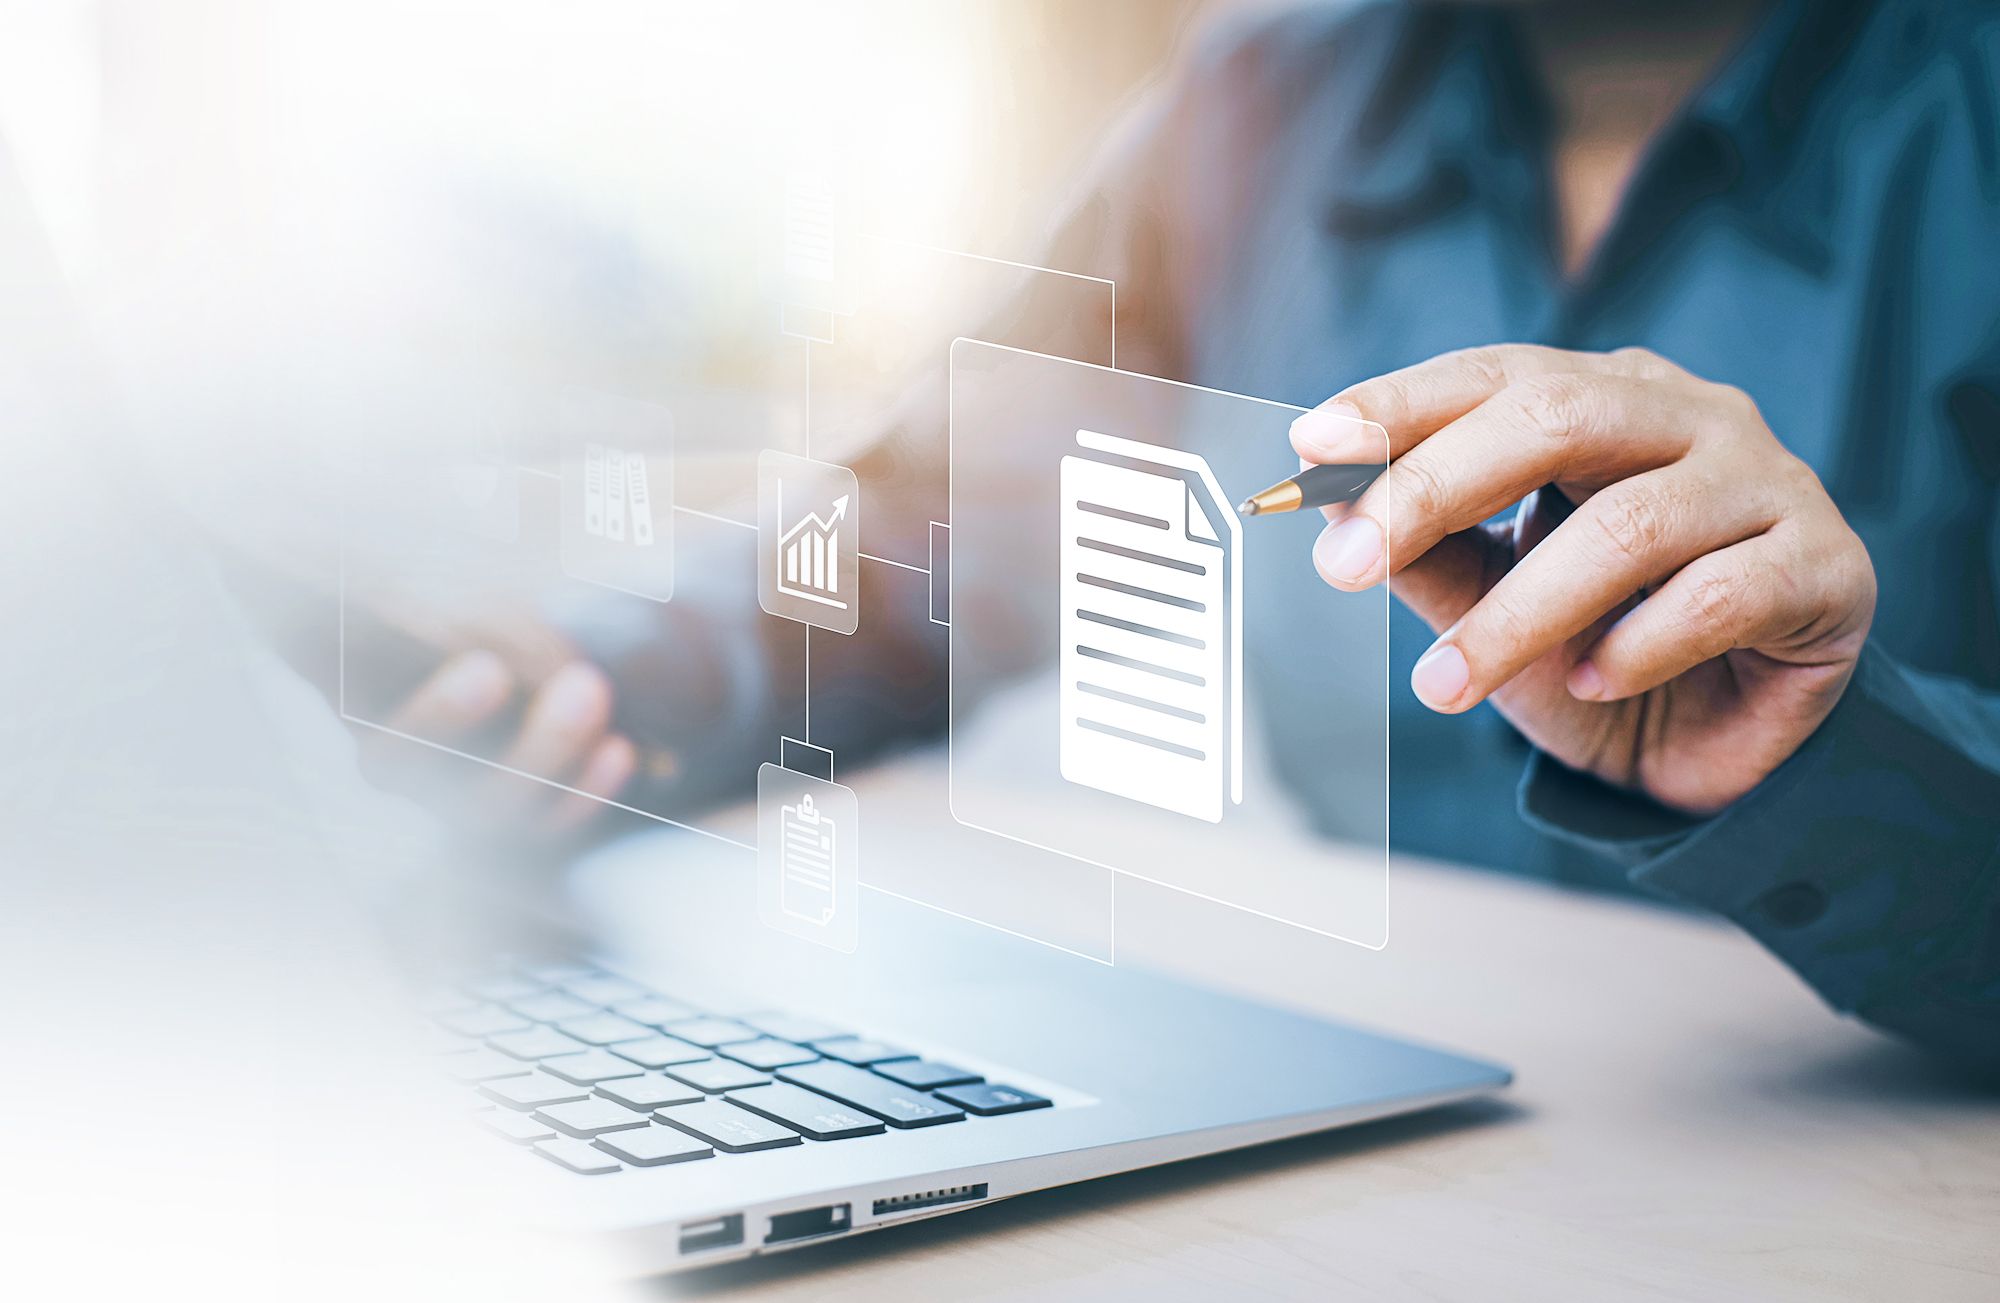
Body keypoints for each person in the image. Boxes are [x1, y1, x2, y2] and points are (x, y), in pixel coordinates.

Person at [388, 0, 2000, 1074]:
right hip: (1413, 1141)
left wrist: (1835, 759)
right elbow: (905, 565)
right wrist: (573, 677)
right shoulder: (1256, 97)